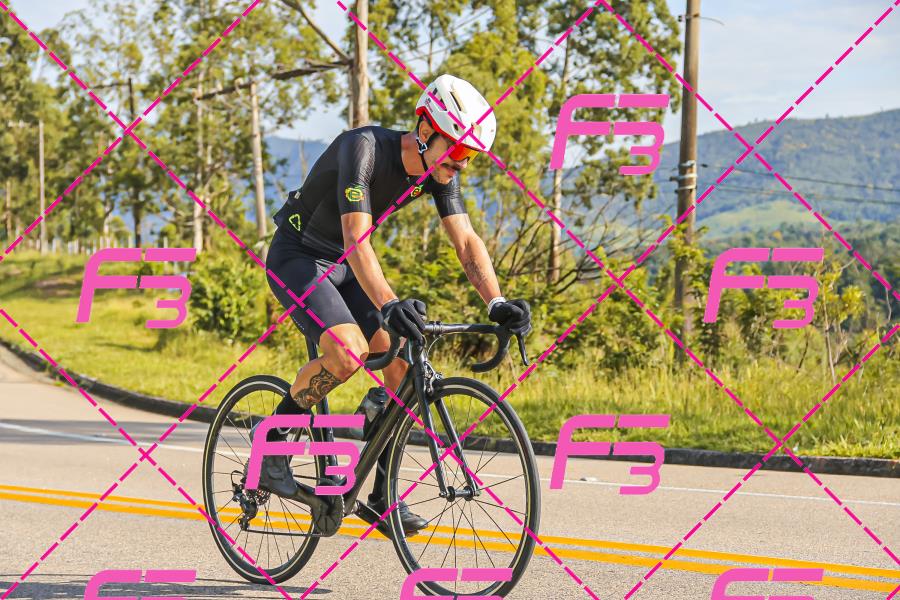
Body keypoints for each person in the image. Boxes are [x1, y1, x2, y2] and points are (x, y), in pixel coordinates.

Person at [259, 74, 532, 537]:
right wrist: (388, 304)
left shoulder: (436, 171)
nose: (462, 164)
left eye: (471, 156)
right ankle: (272, 444)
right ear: (425, 130)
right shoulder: (362, 148)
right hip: (299, 256)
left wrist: (497, 302)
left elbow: (466, 242)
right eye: (458, 150)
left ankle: (382, 496)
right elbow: (356, 238)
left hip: (346, 266)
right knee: (348, 353)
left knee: (404, 367)